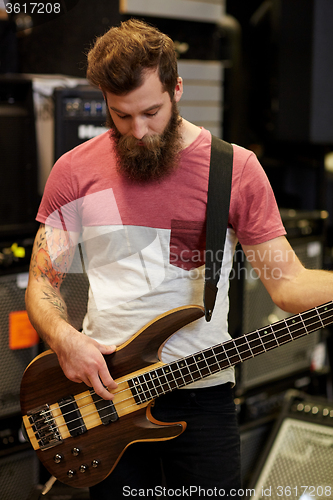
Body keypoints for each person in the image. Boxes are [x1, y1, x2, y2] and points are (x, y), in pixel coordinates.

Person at [25, 19, 333, 499]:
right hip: (105, 398)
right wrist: (65, 340)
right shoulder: (75, 170)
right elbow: (43, 284)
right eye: (121, 116)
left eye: (151, 111)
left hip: (202, 398)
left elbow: (287, 285)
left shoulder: (235, 170)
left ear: (177, 88)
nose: (139, 131)